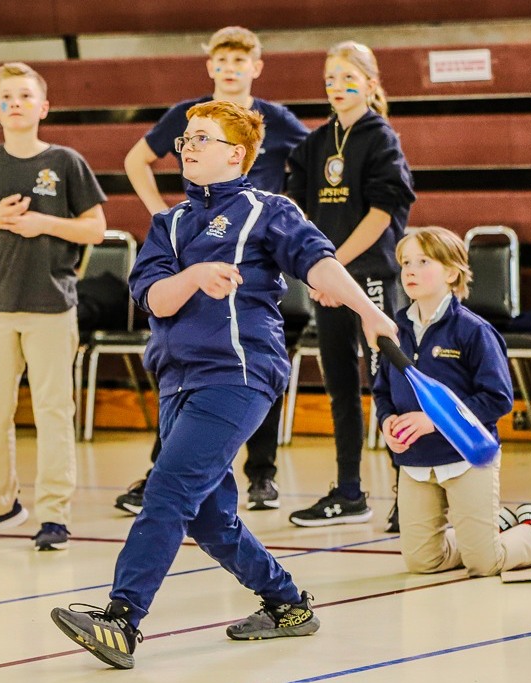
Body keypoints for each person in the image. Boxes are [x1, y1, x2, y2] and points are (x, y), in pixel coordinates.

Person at [51, 100, 398, 669]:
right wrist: (193, 276)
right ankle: (287, 604)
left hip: (238, 373)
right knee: (209, 516)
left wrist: (367, 312)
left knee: (166, 489)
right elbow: (156, 299)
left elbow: (319, 263)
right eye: (185, 138)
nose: (186, 147)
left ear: (236, 154)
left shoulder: (268, 209)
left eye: (201, 139)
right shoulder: (168, 224)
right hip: (176, 381)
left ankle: (121, 620)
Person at [117, 26, 309, 514]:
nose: (230, 68)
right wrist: (157, 209)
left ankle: (262, 476)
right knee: (183, 357)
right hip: (199, 250)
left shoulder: (276, 120)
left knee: (254, 363)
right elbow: (136, 158)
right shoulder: (191, 115)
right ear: (210, 66)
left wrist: (295, 216)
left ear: (255, 67)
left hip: (256, 259)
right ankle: (164, 470)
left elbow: (311, 163)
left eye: (240, 61)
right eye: (222, 61)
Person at [0, 62, 107, 551]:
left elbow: (95, 228)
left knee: (54, 412)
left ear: (43, 107)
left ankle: (54, 516)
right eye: (7, 97)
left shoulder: (65, 162)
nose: (15, 103)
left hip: (52, 308)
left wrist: (45, 224)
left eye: (24, 96)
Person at [373, 227, 531, 577]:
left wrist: (435, 420)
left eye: (422, 261)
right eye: (405, 263)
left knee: (485, 563)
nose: (410, 270)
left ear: (451, 272)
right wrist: (387, 420)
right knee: (422, 562)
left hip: (467, 458)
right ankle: (489, 529)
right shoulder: (393, 330)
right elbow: (382, 390)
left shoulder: (473, 330)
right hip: (416, 461)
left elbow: (497, 398)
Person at [286, 41, 415, 530]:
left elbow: (383, 214)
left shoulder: (381, 139)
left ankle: (410, 493)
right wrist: (315, 267)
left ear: (370, 82)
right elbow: (295, 206)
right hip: (327, 284)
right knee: (340, 386)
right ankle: (348, 492)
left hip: (371, 279)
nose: (338, 87)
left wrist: (332, 262)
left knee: (388, 386)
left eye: (348, 78)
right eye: (330, 80)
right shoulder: (316, 143)